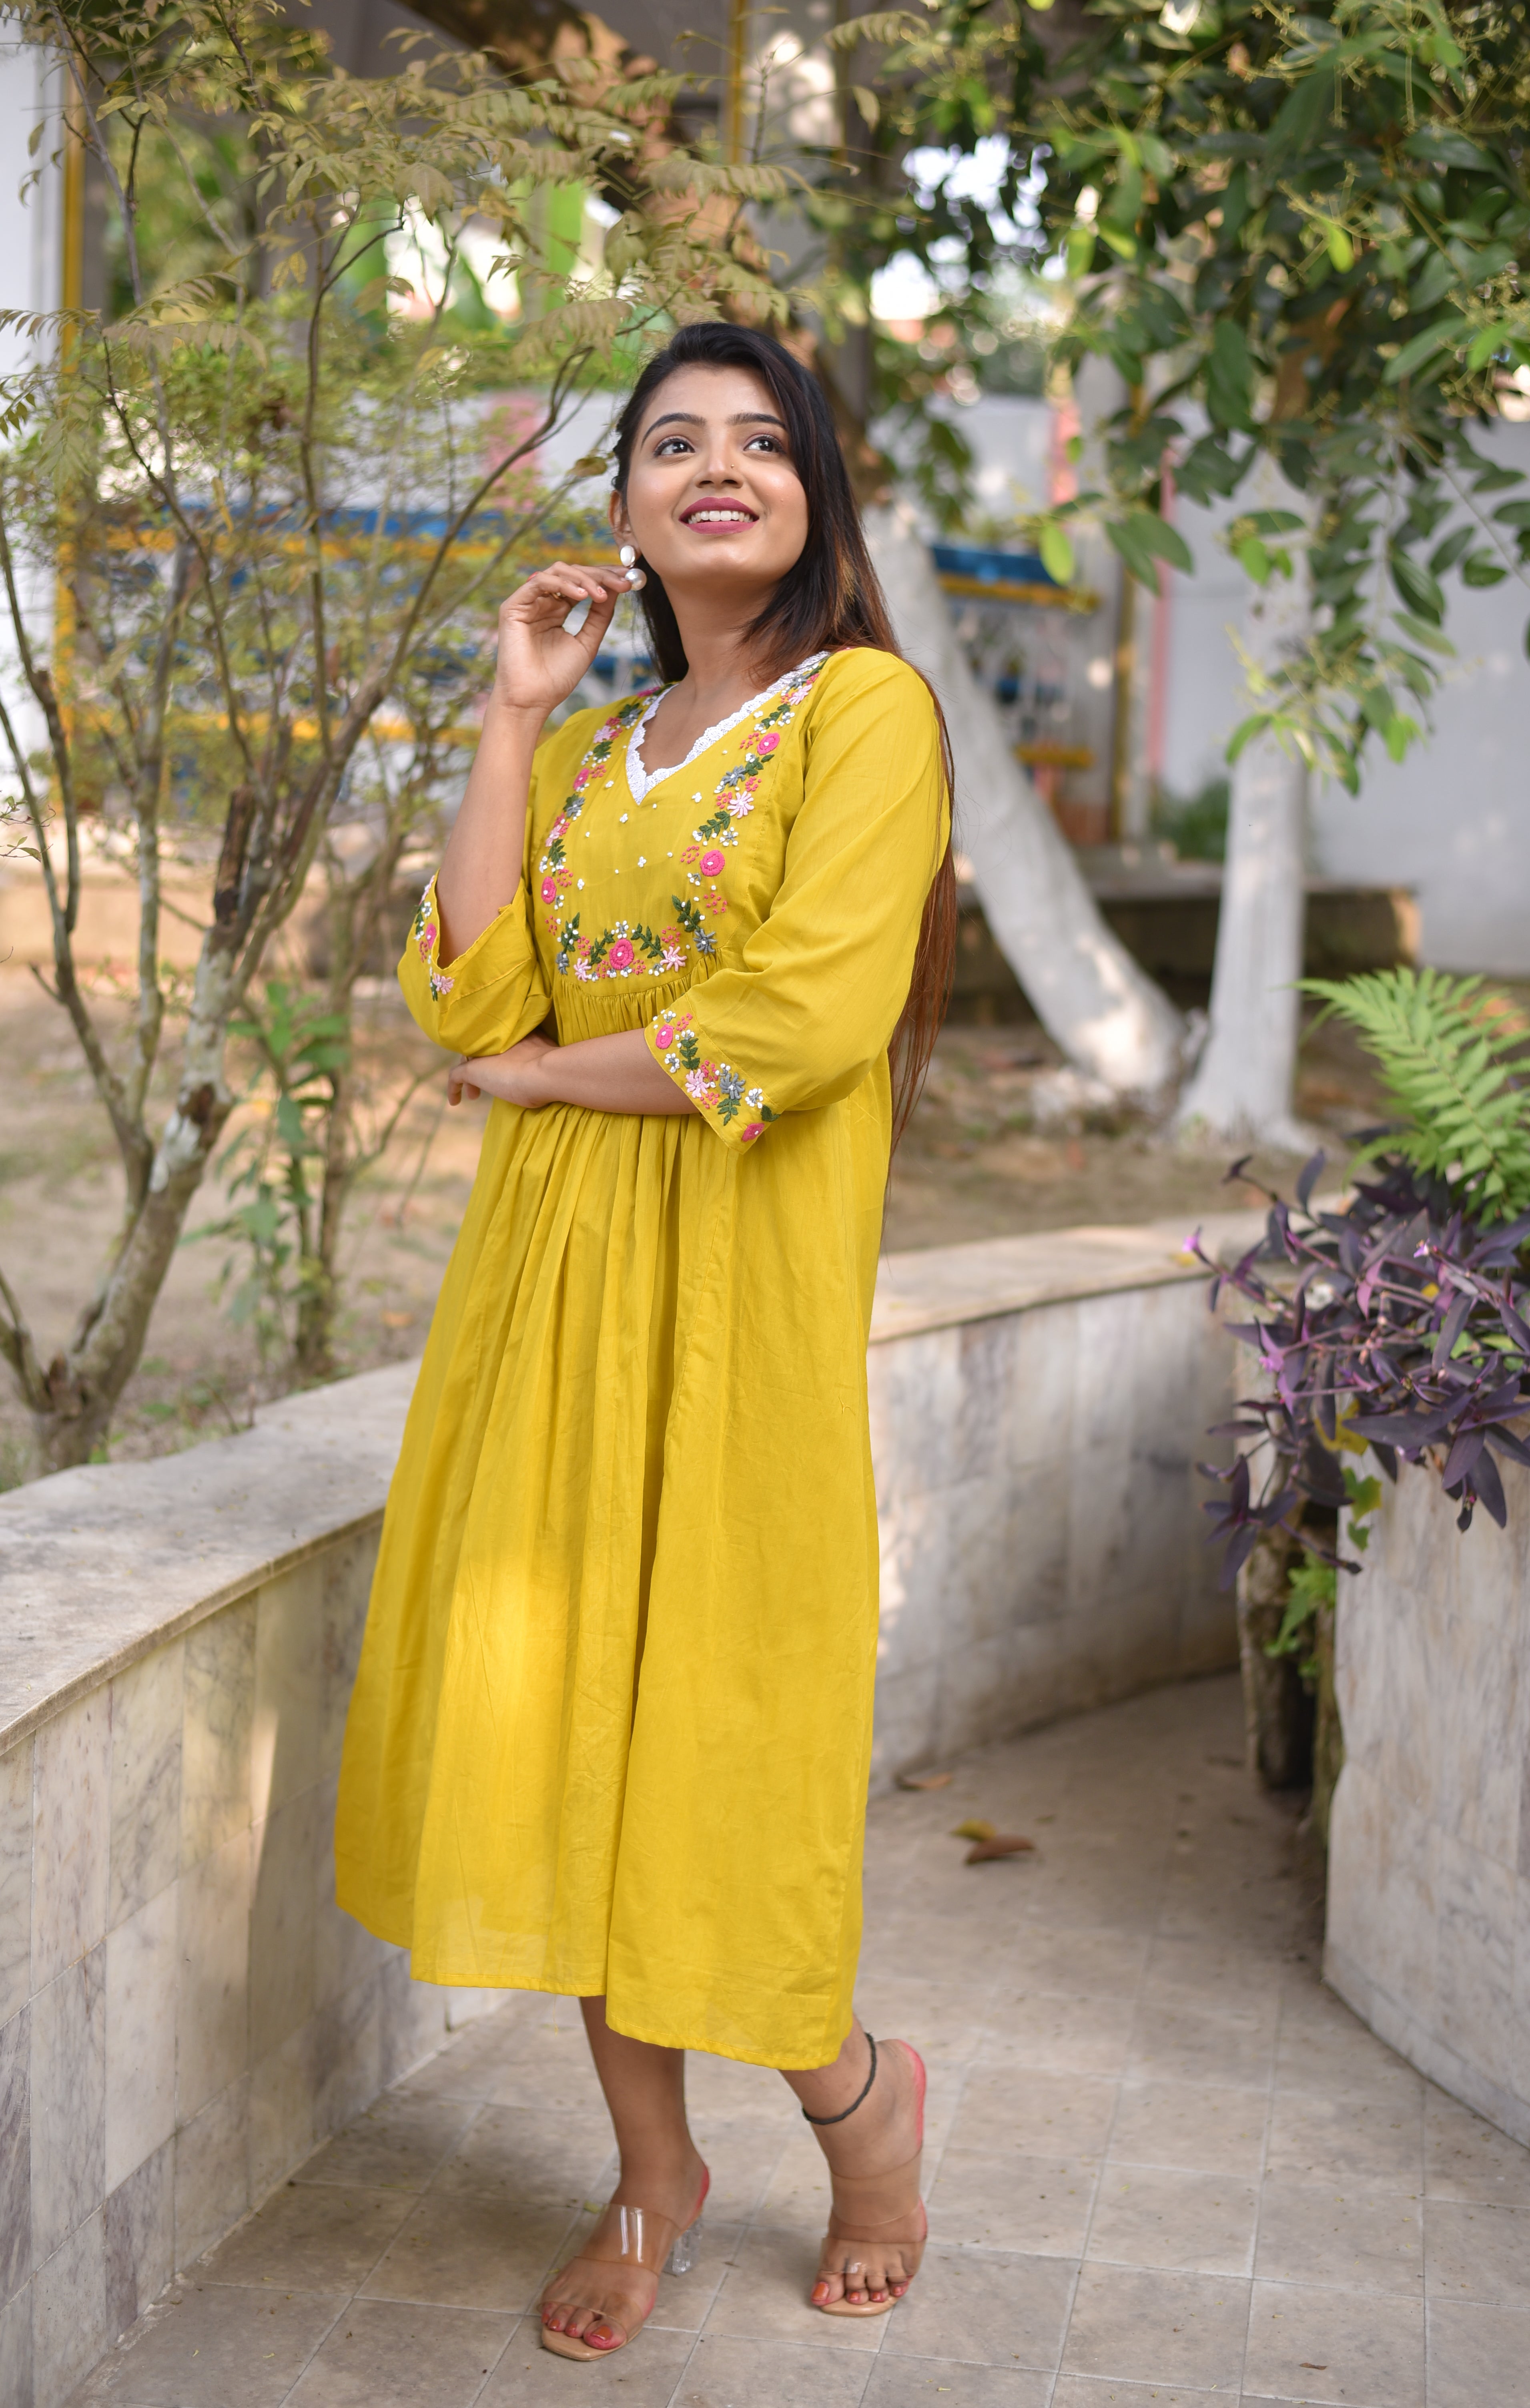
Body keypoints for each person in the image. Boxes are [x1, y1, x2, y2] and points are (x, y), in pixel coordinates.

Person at [333, 319, 956, 2363]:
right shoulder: (597, 750)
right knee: (577, 1739)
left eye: (758, 441)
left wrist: (535, 1080)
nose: (715, 468)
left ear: (812, 493)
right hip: (550, 1297)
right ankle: (647, 2171)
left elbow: (798, 1018)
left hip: (739, 1303)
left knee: (721, 1745)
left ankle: (857, 2101)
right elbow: (468, 987)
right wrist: (511, 711)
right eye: (671, 442)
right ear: (618, 503)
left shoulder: (861, 712)